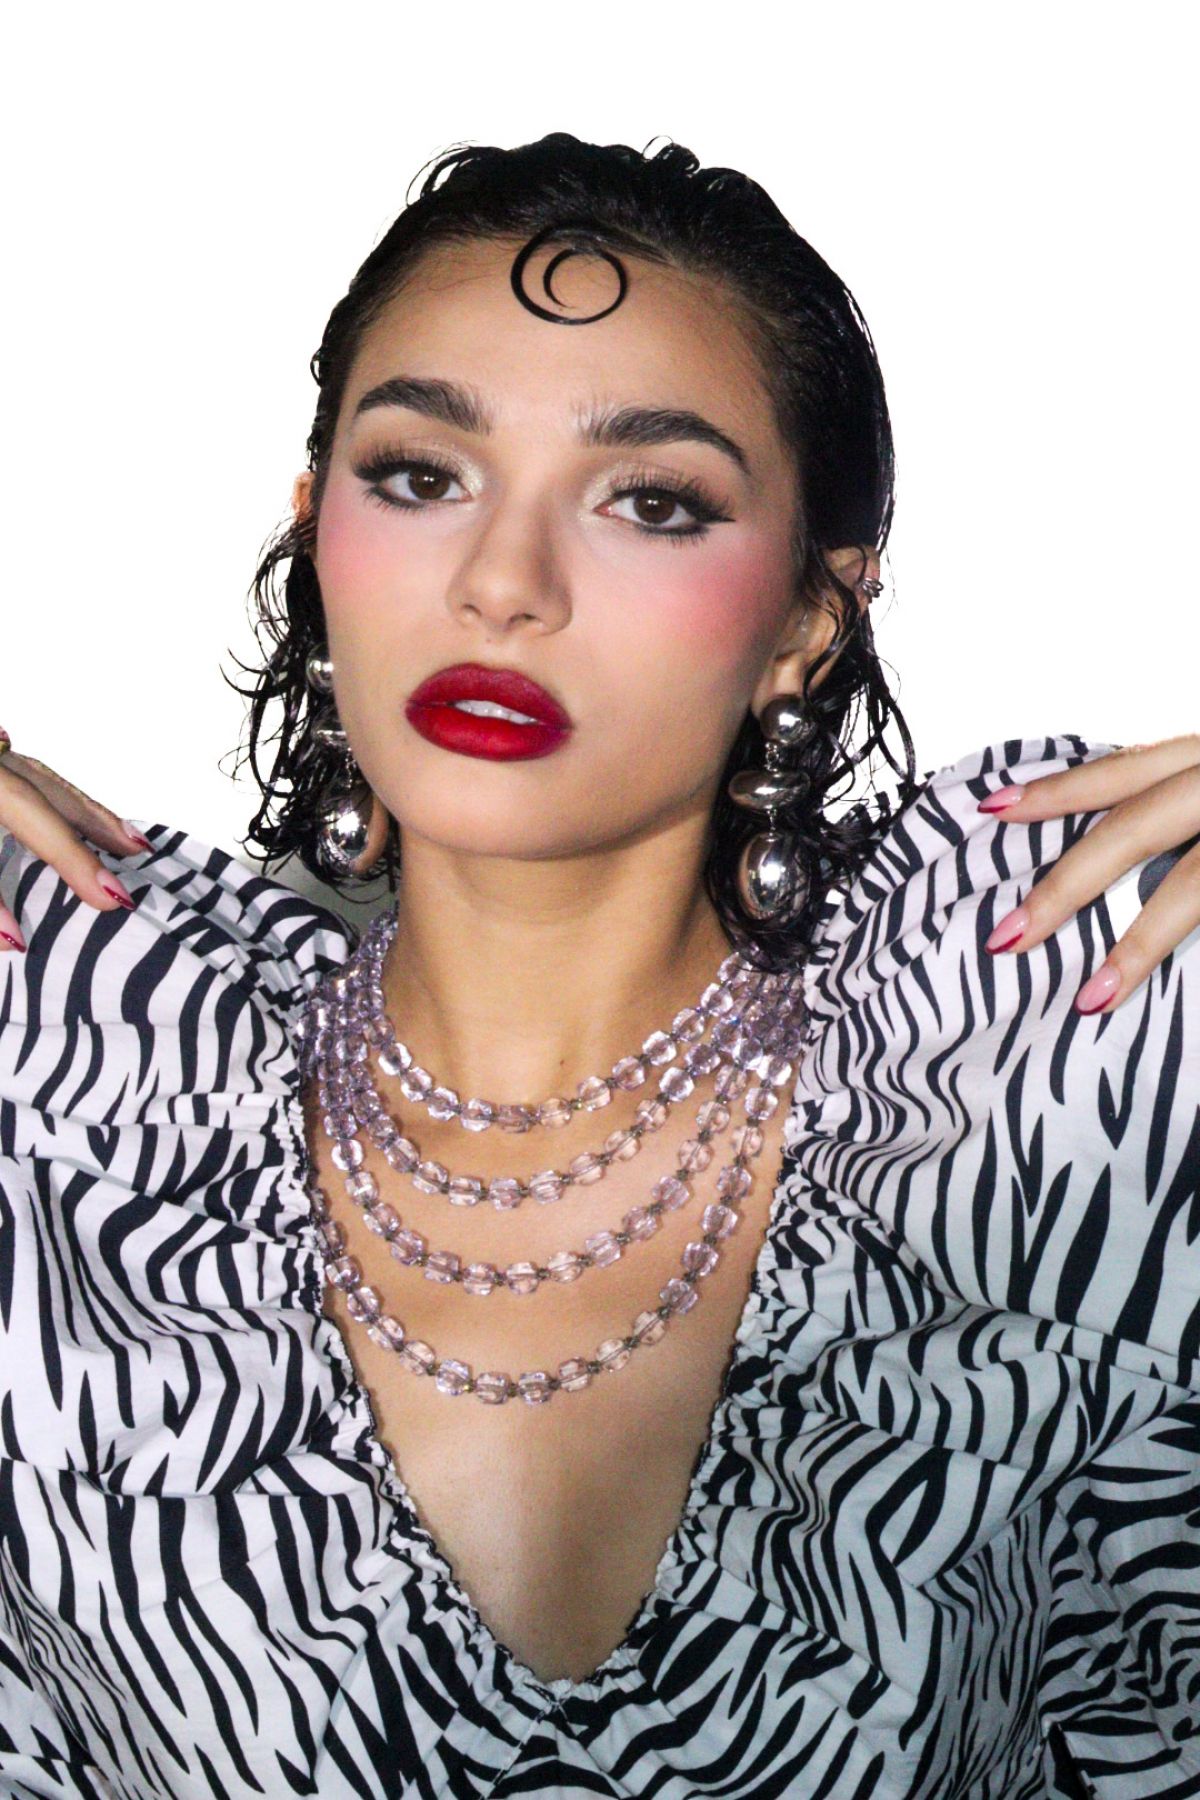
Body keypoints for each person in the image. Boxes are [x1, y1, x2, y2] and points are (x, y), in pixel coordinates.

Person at [0, 132, 1197, 1800]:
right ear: (314, 530)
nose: (502, 583)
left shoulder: (1043, 1031)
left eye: (653, 502)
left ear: (809, 620)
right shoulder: (77, 1067)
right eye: (420, 475)